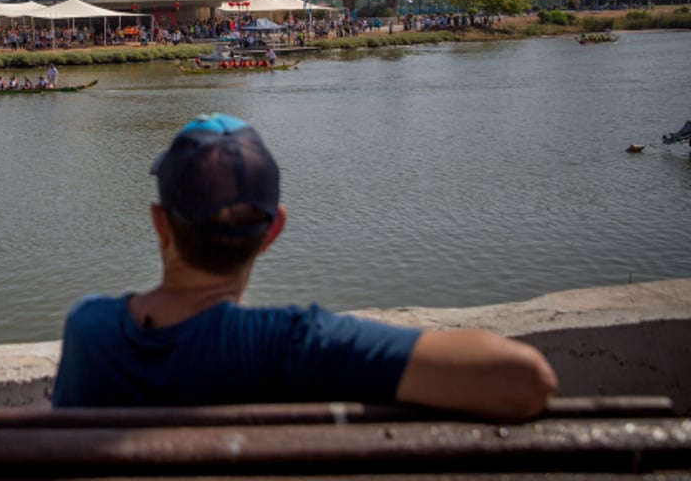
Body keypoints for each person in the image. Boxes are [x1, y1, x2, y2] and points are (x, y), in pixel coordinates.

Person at [51, 114, 557, 420]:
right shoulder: (295, 344)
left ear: (160, 224)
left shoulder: (90, 328)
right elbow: (525, 379)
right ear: (274, 231)